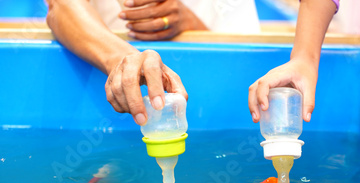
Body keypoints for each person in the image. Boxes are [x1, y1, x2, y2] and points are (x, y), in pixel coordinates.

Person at [46, 0, 260, 126]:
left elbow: (247, 55)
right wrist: (122, 58)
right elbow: (61, 7)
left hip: (211, 104)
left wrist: (189, 22)